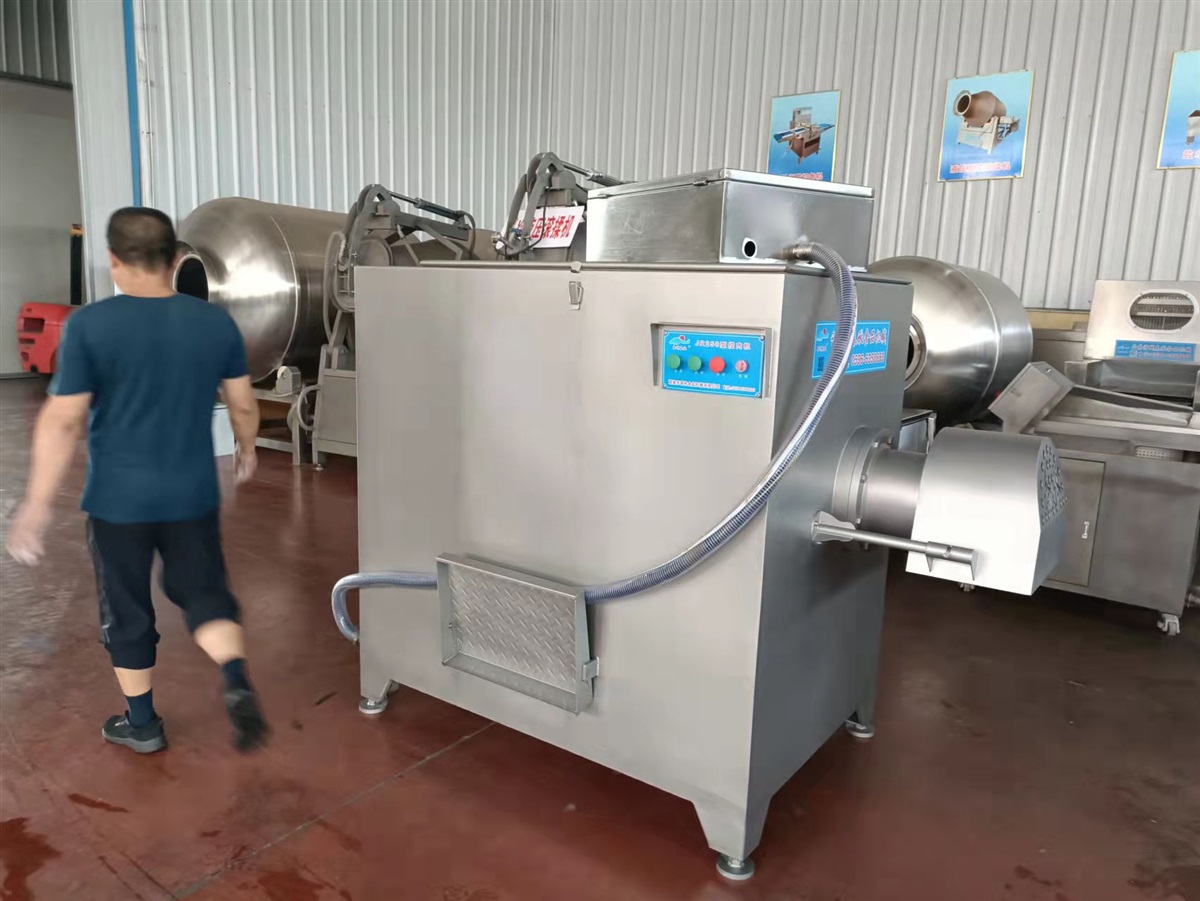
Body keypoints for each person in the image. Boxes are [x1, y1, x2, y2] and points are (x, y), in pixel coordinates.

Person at [6, 207, 269, 755]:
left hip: (118, 502)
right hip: (191, 495)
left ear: (113, 261)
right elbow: (244, 405)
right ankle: (236, 677)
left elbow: (62, 420)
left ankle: (142, 724)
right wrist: (246, 448)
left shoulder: (89, 325)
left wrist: (35, 505)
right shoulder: (214, 323)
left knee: (126, 608)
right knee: (204, 593)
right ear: (175, 260)